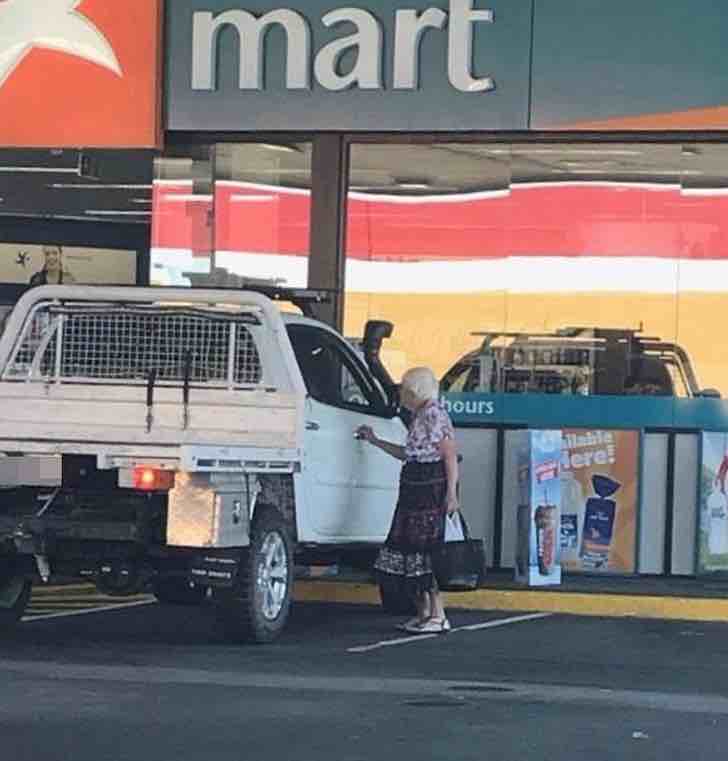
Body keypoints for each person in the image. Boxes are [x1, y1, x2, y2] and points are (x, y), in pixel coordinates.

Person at [356, 366, 459, 634]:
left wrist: (451, 494)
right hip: (414, 487)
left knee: (425, 551)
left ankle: (437, 614)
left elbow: (449, 455)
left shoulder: (434, 414)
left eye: (404, 388)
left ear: (414, 391)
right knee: (411, 550)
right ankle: (424, 612)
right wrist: (375, 441)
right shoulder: (420, 415)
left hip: (428, 490)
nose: (400, 393)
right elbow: (409, 453)